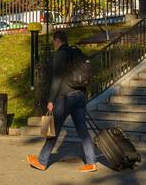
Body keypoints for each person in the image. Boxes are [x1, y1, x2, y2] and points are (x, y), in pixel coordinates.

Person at [28, 29, 97, 173]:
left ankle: (42, 161)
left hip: (65, 97)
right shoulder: (75, 51)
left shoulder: (61, 53)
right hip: (80, 95)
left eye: (54, 42)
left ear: (57, 40)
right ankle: (91, 162)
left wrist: (50, 100)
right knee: (83, 131)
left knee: (54, 129)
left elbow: (57, 78)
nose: (54, 44)